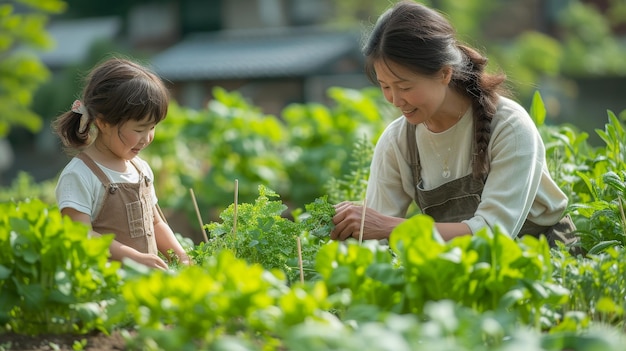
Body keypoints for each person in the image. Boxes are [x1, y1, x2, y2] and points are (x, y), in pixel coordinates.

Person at [331, 1, 579, 251]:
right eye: (385, 87)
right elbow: (377, 236)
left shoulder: (509, 126)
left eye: (405, 87)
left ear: (444, 74)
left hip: (544, 262)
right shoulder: (398, 141)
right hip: (459, 264)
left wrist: (392, 227)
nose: (395, 100)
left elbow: (494, 234)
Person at [53, 57, 191, 269]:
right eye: (139, 129)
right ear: (104, 123)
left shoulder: (141, 169)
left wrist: (181, 256)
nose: (147, 138)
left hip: (145, 286)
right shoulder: (80, 175)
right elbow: (79, 235)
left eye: (152, 128)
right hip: (105, 288)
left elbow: (155, 223)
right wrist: (133, 257)